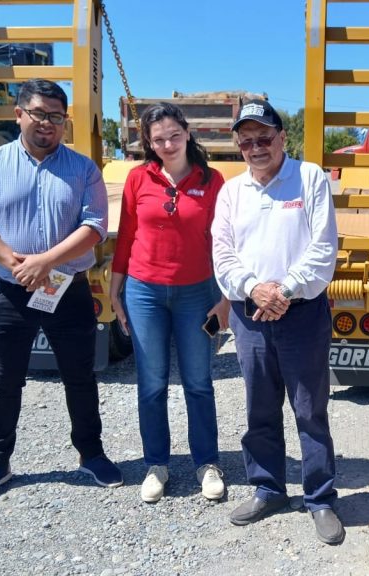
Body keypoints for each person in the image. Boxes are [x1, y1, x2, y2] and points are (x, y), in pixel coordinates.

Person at [0, 78, 122, 502]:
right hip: (9, 291)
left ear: (65, 122)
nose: (47, 123)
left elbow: (95, 227)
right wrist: (18, 265)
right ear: (19, 115)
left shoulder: (84, 168)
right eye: (38, 113)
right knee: (4, 380)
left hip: (67, 289)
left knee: (80, 377)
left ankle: (91, 453)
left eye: (55, 116)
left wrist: (44, 263)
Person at [211, 99, 344, 545]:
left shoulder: (309, 179)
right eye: (246, 141)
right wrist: (254, 289)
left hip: (301, 314)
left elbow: (323, 248)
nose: (255, 147)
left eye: (263, 138)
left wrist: (284, 290)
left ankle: (320, 497)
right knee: (259, 408)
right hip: (250, 316)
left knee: (309, 409)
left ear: (282, 137)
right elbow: (222, 253)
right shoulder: (231, 192)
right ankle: (268, 488)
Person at [109, 103, 230, 503]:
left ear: (188, 132)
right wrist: (115, 287)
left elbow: (228, 244)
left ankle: (207, 463)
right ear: (148, 141)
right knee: (152, 384)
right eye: (158, 139)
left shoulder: (212, 181)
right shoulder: (137, 178)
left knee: (198, 382)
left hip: (197, 292)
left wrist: (226, 297)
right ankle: (156, 465)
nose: (167, 144)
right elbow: (126, 234)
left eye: (174, 136)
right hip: (143, 292)